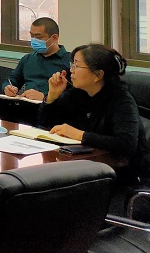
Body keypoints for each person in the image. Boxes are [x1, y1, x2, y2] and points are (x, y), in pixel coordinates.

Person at [39, 44, 147, 184]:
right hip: (83, 167)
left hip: (120, 175)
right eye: (72, 64)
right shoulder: (76, 94)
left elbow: (126, 144)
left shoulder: (121, 100)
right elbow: (45, 125)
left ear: (98, 75)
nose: (71, 70)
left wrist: (79, 135)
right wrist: (52, 96)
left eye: (77, 65)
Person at [0, 17, 71, 125]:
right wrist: (8, 88)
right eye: (32, 36)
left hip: (51, 113)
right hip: (24, 109)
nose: (34, 40)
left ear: (54, 38)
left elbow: (74, 95)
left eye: (39, 37)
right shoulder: (28, 59)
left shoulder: (69, 61)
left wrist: (45, 97)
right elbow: (12, 80)